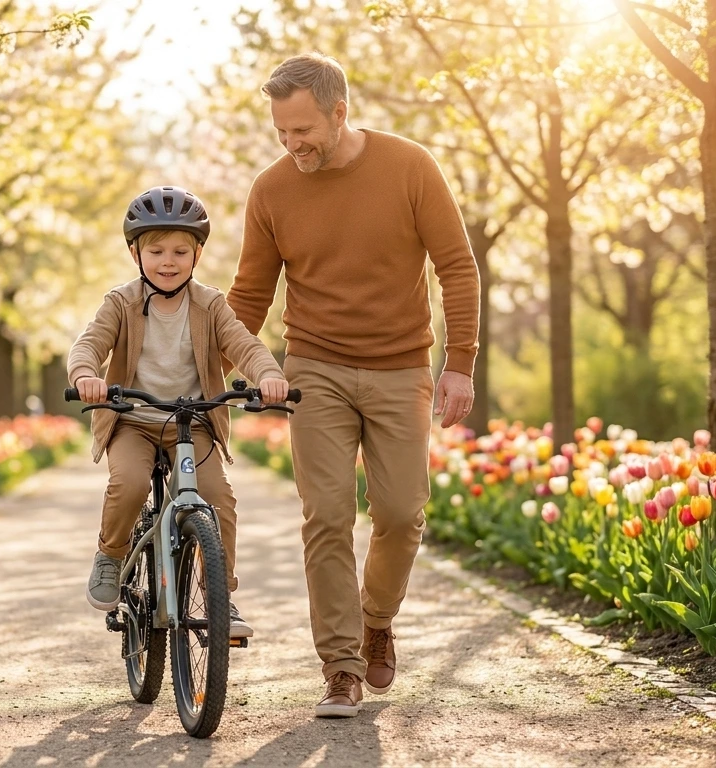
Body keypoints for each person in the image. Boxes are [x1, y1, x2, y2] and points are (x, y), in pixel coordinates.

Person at [227, 53, 480, 717]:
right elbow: (250, 292)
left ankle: (376, 621)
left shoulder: (409, 166)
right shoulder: (271, 190)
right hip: (314, 367)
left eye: (303, 130)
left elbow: (456, 266)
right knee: (328, 515)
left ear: (340, 112)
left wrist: (460, 362)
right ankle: (340, 667)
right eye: (282, 132)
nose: (292, 144)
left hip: (401, 365)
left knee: (400, 513)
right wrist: (206, 369)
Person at [68, 185, 290, 639]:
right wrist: (86, 374)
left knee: (218, 498)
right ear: (135, 254)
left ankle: (219, 596)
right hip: (134, 421)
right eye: (156, 251)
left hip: (192, 424)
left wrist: (269, 375)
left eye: (179, 252)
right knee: (129, 483)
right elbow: (89, 344)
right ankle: (110, 555)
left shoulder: (210, 305)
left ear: (197, 255)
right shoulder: (121, 302)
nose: (167, 262)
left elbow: (245, 345)